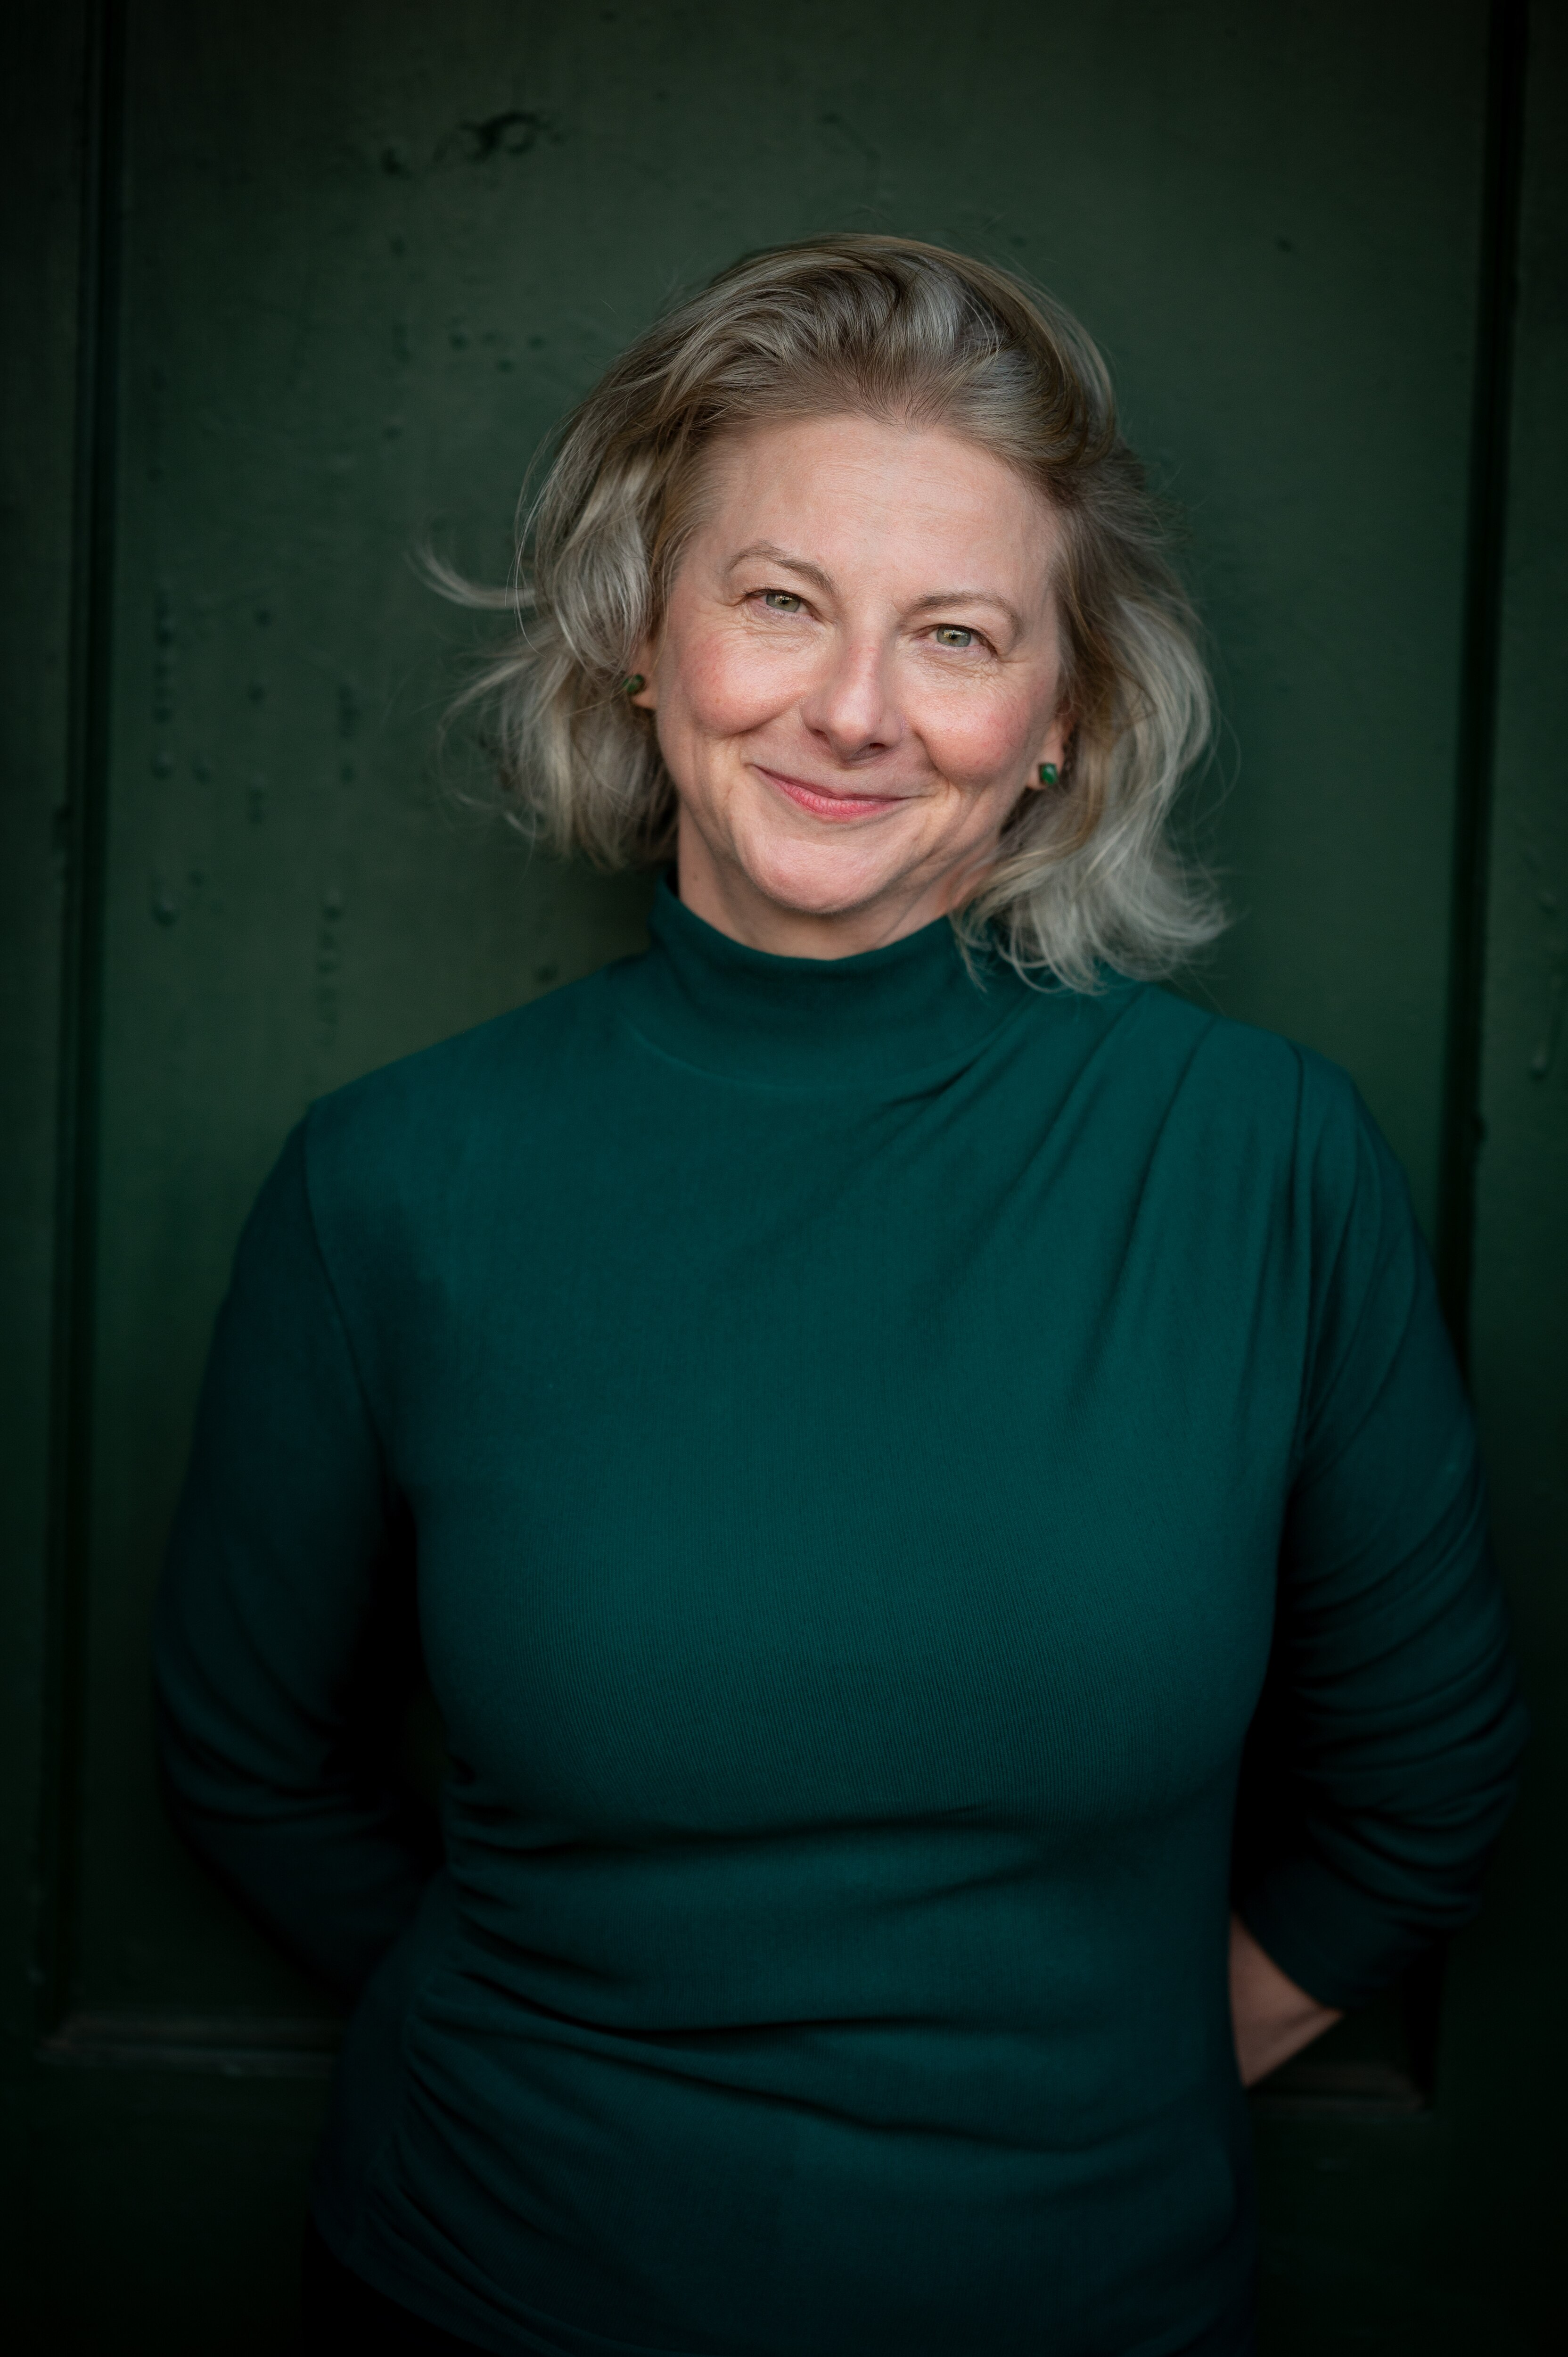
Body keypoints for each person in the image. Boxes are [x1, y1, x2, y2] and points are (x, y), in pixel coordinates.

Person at [155, 236, 1526, 2357]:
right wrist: (591, 2086)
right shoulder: (398, 1179)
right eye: (778, 599)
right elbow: (246, 1755)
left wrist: (1076, 2112)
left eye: (955, 634)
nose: (854, 708)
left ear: (1060, 716)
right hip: (484, 2284)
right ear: (641, 640)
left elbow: (1424, 1789)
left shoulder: (1257, 1165)